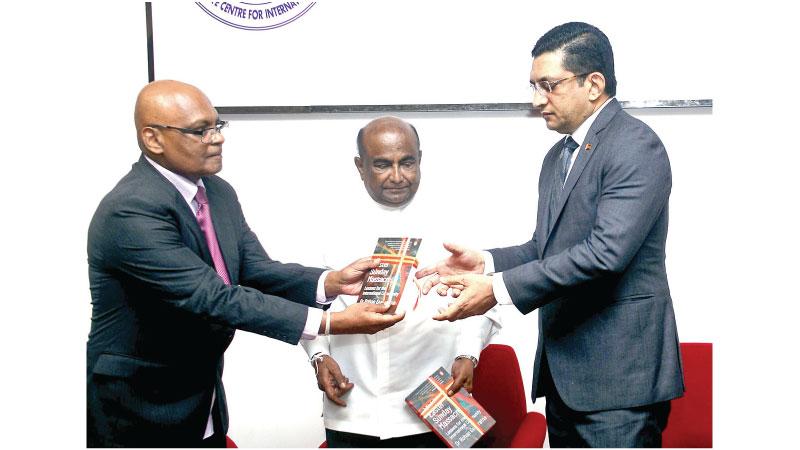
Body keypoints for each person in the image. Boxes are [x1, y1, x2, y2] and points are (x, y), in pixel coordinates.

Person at [86, 80, 404, 448]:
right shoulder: (131, 210)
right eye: (200, 131)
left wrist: (332, 282)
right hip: (138, 405)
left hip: (200, 395)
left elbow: (255, 270)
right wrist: (331, 323)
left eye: (217, 126)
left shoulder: (217, 192)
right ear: (153, 139)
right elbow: (213, 297)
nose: (217, 138)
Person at [417, 22, 684, 447]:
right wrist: (485, 262)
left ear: (593, 84)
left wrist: (497, 288)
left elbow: (605, 254)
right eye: (533, 86)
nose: (537, 100)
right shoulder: (558, 156)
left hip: (620, 386)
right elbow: (546, 248)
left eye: (549, 85)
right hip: (566, 380)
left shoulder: (635, 144)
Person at [301, 116, 499, 448]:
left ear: (420, 159)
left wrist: (469, 354)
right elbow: (306, 300)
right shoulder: (328, 224)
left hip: (436, 401)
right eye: (382, 164)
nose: (397, 176)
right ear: (360, 166)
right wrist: (318, 356)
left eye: (407, 162)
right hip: (355, 402)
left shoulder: (457, 219)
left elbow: (483, 299)